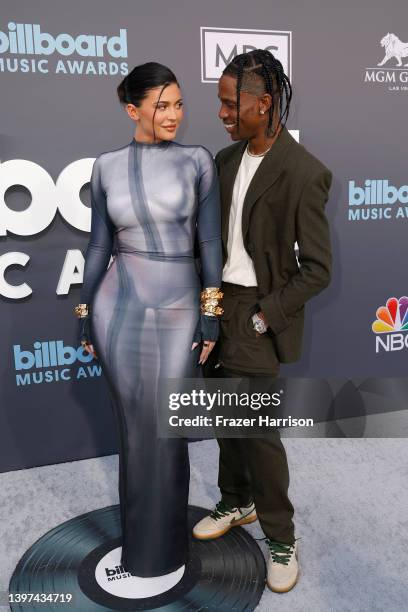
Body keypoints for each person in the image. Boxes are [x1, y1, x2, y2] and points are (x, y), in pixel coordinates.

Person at [74, 62, 223, 578]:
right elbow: (97, 246)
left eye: (179, 103)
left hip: (181, 305)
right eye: (162, 105)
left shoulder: (197, 161)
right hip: (119, 306)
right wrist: (84, 311)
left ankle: (167, 550)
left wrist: (211, 312)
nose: (174, 115)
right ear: (132, 109)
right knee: (135, 432)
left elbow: (209, 242)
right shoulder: (105, 167)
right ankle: (141, 550)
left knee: (167, 429)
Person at [193, 50, 332, 593]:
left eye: (231, 103)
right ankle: (237, 501)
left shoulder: (304, 172)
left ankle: (280, 536)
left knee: (259, 432)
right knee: (226, 421)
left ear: (263, 102)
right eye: (222, 103)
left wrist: (263, 317)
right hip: (217, 308)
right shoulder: (224, 162)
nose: (223, 113)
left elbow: (318, 270)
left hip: (254, 313)